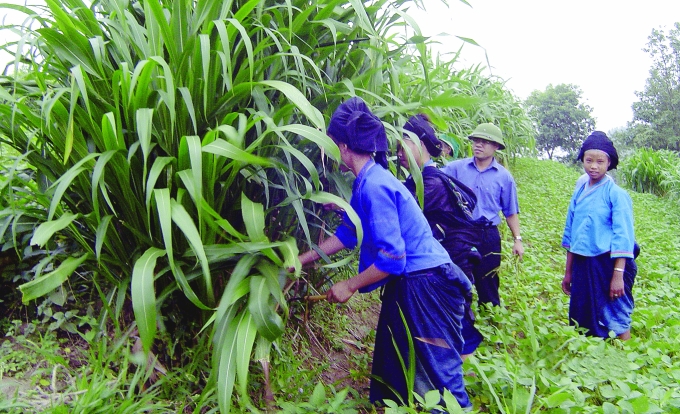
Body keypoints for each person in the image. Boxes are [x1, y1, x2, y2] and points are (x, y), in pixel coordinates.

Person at [296, 97, 473, 409]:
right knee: (400, 364)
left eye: (330, 142)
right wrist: (299, 262)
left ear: (344, 146)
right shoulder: (367, 181)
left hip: (427, 283)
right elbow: (348, 235)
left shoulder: (374, 187)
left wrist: (349, 284)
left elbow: (393, 259)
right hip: (416, 281)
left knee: (439, 375)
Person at [397, 114, 484, 359]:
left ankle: (458, 384)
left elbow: (395, 218)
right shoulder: (419, 180)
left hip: (448, 268)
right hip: (445, 266)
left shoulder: (430, 184)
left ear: (422, 144)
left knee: (451, 334)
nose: (398, 149)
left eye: (406, 140)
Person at [561, 131, 637, 340]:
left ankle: (626, 350)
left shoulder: (616, 195)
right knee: (583, 309)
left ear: (609, 163)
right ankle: (590, 353)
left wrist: (618, 275)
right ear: (582, 160)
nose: (593, 166)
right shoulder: (579, 189)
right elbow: (571, 230)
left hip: (607, 262)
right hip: (582, 262)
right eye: (589, 160)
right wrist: (569, 272)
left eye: (600, 161)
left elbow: (624, 236)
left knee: (615, 306)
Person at [441, 123, 524, 307]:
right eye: (476, 141)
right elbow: (431, 178)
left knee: (488, 281)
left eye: (485, 142)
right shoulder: (456, 169)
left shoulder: (503, 177)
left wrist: (517, 239)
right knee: (457, 278)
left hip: (488, 235)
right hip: (460, 232)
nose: (478, 145)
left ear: (496, 147)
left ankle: (491, 320)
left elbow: (510, 211)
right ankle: (462, 322)